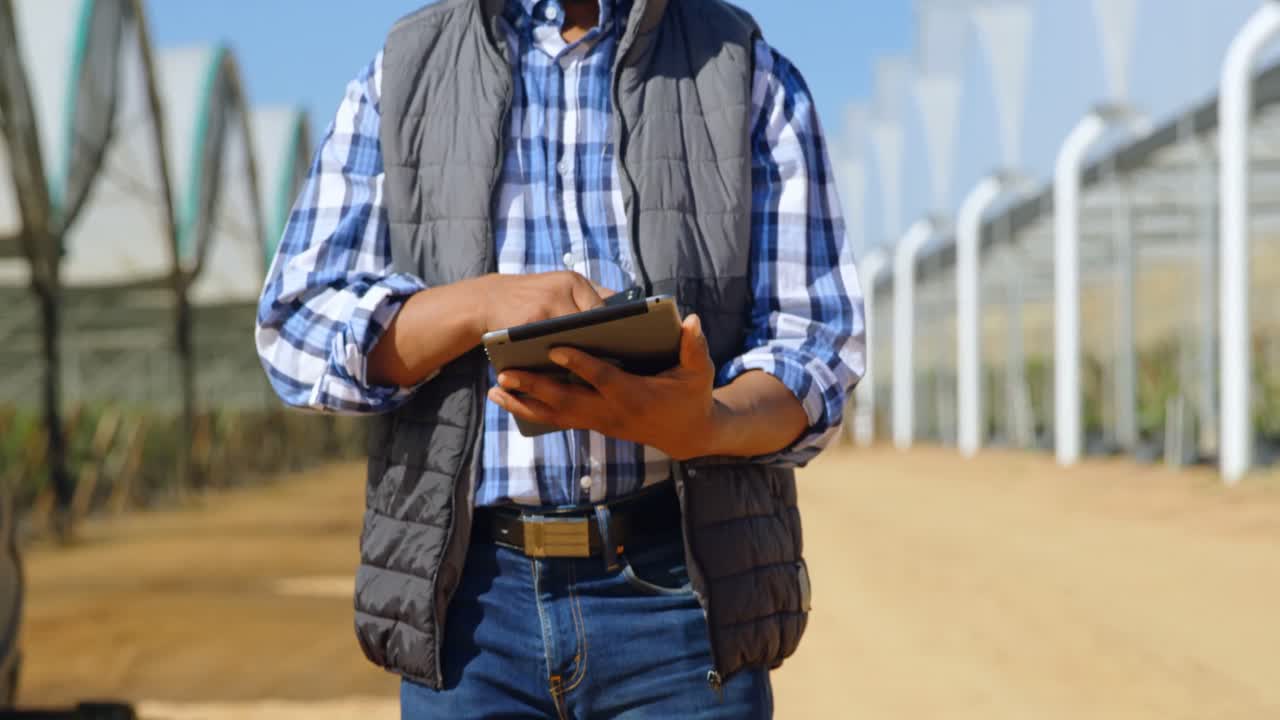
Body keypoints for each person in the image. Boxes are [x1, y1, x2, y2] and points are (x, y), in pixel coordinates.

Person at [256, 0, 864, 716]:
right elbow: (295, 325)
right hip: (470, 611)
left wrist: (706, 423)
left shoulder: (744, 70)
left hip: (680, 609)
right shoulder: (404, 72)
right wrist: (479, 307)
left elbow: (816, 340)